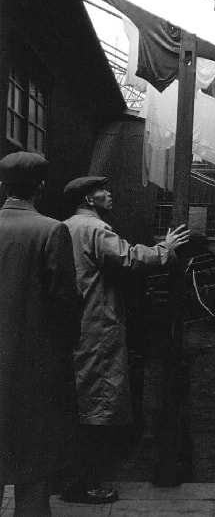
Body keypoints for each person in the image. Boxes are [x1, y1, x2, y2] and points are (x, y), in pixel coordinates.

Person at [61, 176, 189, 504]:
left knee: (78, 403)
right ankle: (83, 484)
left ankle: (70, 477)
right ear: (88, 200)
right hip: (97, 326)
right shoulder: (95, 229)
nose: (109, 194)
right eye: (102, 191)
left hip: (77, 325)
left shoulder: (65, 227)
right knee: (98, 404)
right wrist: (166, 249)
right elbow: (129, 258)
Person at [0, 152, 80, 517]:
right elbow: (65, 305)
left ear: (3, 186)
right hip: (33, 369)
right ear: (41, 187)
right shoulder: (51, 231)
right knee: (32, 473)